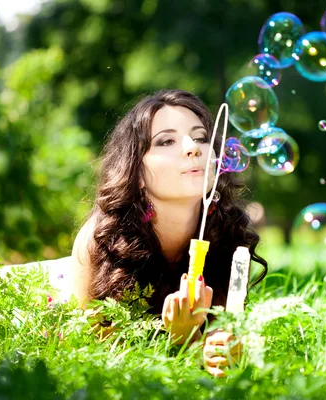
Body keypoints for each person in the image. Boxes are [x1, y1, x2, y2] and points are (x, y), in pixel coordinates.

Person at [69, 89, 268, 378]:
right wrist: (181, 338)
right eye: (166, 141)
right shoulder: (101, 241)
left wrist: (210, 347)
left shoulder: (229, 237)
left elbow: (219, 351)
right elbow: (100, 361)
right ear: (135, 172)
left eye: (201, 137)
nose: (193, 148)